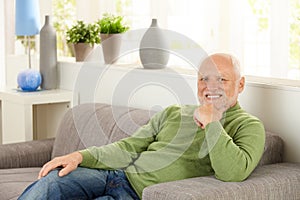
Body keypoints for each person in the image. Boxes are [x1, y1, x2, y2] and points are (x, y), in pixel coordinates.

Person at [18, 53, 265, 200]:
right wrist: (80, 155)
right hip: (115, 173)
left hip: (137, 194)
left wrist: (212, 122)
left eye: (222, 79)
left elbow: (232, 173)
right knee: (52, 182)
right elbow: (128, 146)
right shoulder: (174, 112)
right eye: (204, 78)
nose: (211, 86)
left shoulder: (248, 126)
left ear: (240, 85)